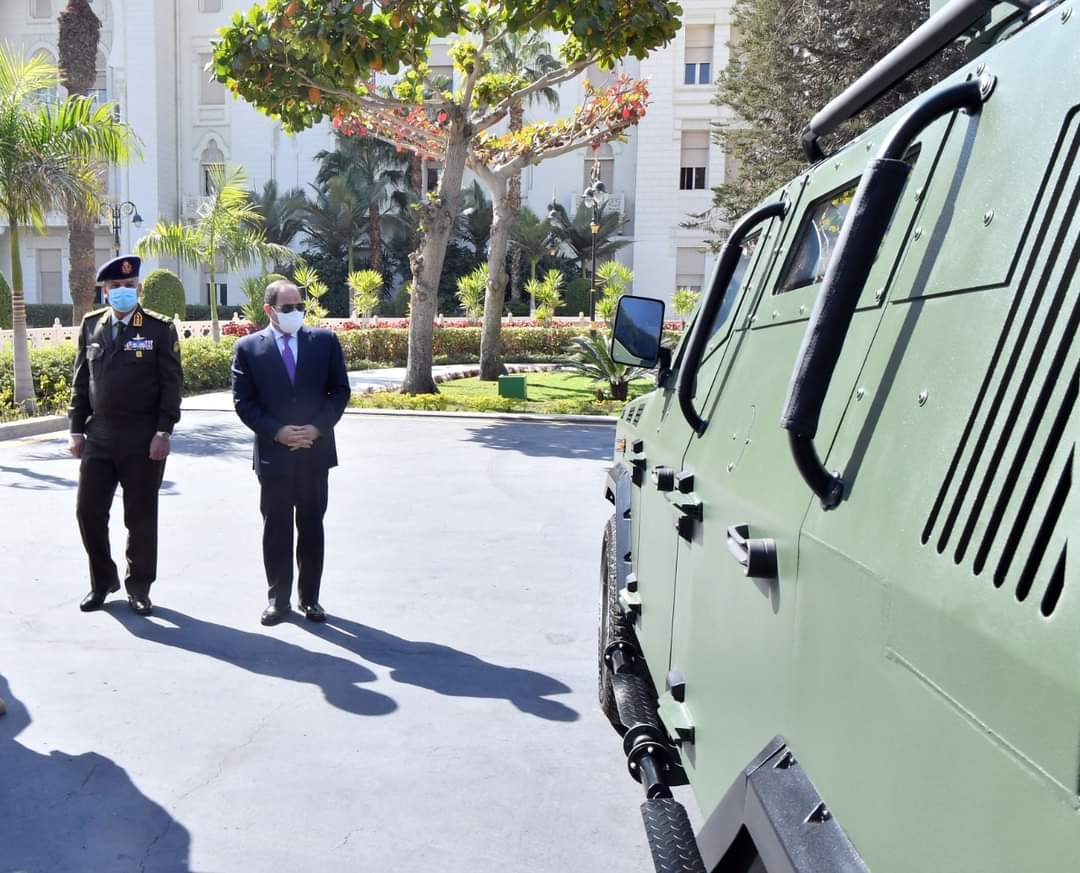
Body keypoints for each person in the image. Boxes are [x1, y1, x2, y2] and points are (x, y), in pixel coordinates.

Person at [231, 280, 351, 626]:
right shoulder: (248, 348)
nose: (296, 312)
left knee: (312, 527)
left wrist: (317, 428)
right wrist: (278, 432)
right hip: (274, 455)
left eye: (300, 306)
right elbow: (243, 402)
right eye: (288, 308)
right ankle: (278, 600)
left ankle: (309, 598)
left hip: (315, 452)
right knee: (277, 529)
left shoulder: (324, 342)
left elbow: (339, 391)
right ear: (269, 310)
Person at [69, 255, 182, 617]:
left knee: (140, 517)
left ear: (139, 289)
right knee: (88, 512)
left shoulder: (158, 328)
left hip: (142, 436)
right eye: (115, 286)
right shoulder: (92, 325)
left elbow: (172, 386)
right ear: (104, 291)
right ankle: (103, 581)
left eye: (129, 286)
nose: (122, 291)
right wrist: (75, 429)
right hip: (99, 435)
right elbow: (80, 382)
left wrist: (163, 431)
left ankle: (139, 587)